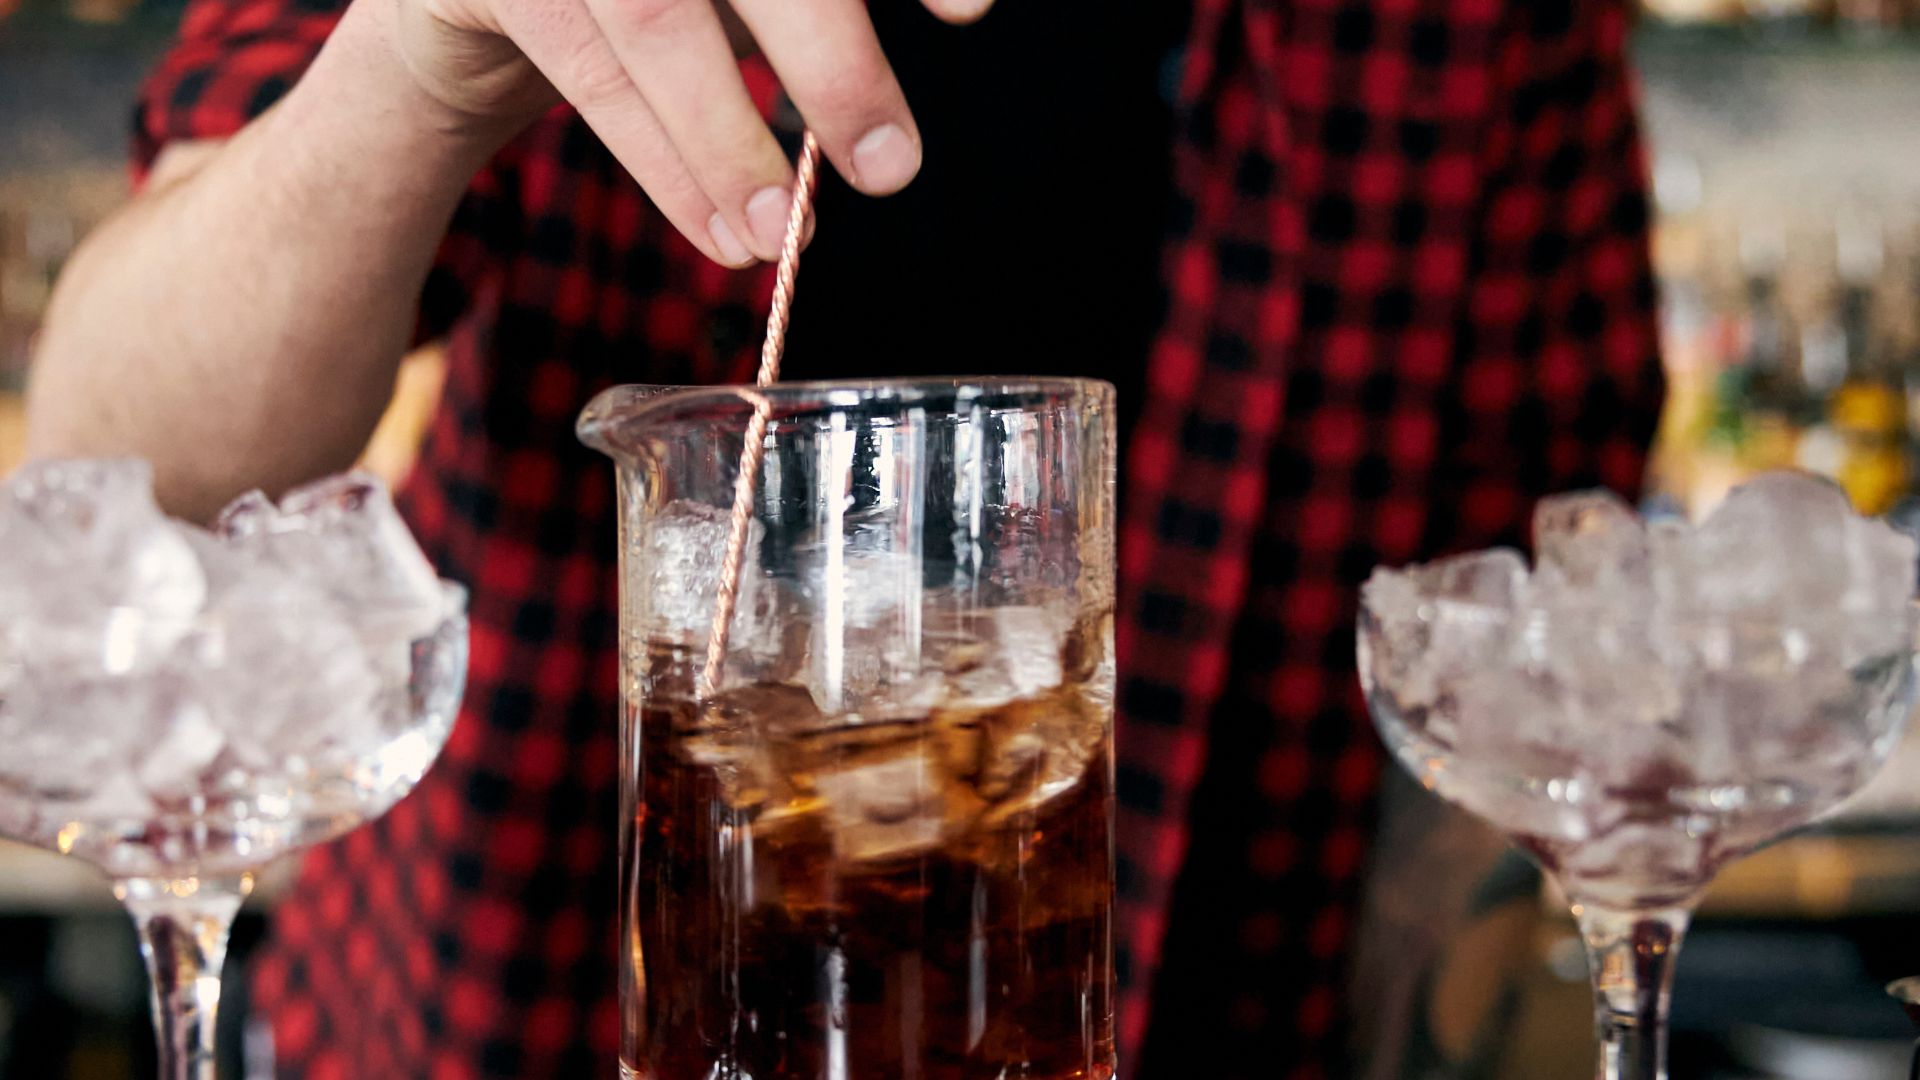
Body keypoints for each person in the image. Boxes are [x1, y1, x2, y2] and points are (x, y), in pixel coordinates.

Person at [24, 0, 1664, 1073]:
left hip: (1197, 1008)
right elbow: (126, 468)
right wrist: (407, 74)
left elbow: (1510, 569)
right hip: (506, 1012)